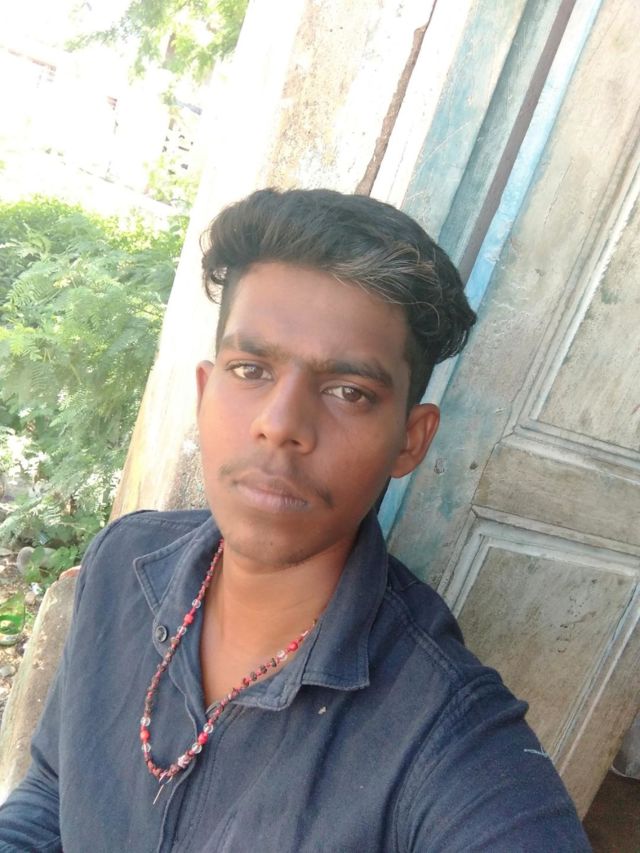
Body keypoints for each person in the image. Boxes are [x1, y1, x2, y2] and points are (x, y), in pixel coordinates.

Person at [0, 189, 590, 851]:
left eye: (349, 391)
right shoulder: (121, 564)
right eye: (250, 369)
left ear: (410, 440)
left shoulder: (443, 732)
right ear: (206, 391)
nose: (280, 424)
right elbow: (53, 792)